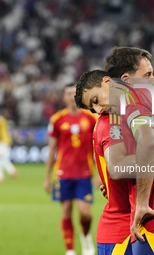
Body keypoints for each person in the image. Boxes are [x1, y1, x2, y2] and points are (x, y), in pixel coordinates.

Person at [75, 67, 154, 255]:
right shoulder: (111, 120)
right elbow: (118, 169)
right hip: (124, 228)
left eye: (95, 101)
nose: (98, 109)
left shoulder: (146, 111)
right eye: (92, 106)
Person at [44, 83, 97, 255]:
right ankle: (70, 250)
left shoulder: (91, 118)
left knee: (85, 213)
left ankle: (85, 236)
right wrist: (47, 177)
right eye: (68, 93)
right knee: (66, 211)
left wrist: (101, 174)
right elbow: (52, 149)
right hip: (63, 174)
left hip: (84, 174)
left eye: (75, 93)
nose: (71, 96)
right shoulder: (57, 119)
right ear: (64, 97)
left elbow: (100, 147)